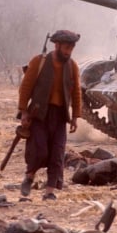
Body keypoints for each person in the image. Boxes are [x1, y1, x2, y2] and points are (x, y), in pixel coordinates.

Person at [18, 30, 82, 200]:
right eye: (66, 48)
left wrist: (75, 115)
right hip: (39, 114)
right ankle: (30, 176)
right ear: (57, 45)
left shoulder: (72, 66)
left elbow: (76, 92)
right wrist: (24, 111)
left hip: (60, 116)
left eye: (71, 49)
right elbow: (26, 87)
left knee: (57, 154)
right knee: (39, 150)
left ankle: (50, 191)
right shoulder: (39, 62)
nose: (68, 52)